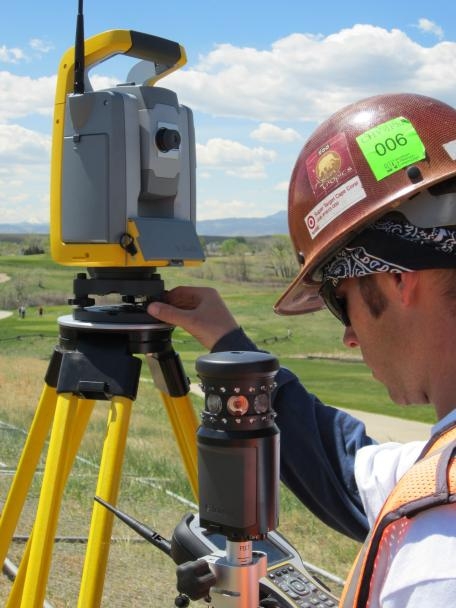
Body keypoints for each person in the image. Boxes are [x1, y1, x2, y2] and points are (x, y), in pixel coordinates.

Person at [147, 93, 456, 607]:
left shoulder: (436, 560)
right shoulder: (435, 474)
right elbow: (344, 469)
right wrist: (229, 343)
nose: (349, 337)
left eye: (341, 301)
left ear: (398, 278)